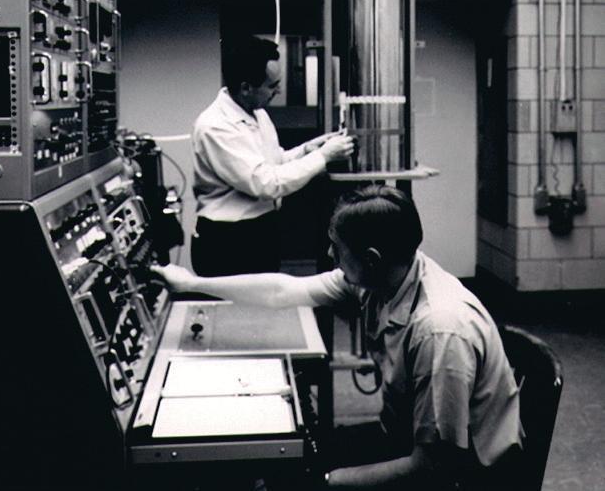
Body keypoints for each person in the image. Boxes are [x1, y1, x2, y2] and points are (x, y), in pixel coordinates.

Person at [152, 185, 523, 490]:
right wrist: (192, 283)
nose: (330, 254)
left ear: (372, 258)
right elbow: (283, 291)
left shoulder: (439, 331)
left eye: (337, 247)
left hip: (465, 478)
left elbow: (433, 467)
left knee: (297, 476)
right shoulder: (385, 275)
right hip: (406, 441)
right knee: (289, 455)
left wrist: (327, 482)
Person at [190, 35, 355, 276]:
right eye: (272, 85)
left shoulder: (257, 113)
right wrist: (323, 157)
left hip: (260, 230)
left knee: (263, 299)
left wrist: (308, 150)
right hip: (228, 240)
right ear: (246, 88)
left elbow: (274, 162)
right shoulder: (216, 126)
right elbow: (266, 183)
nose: (278, 90)